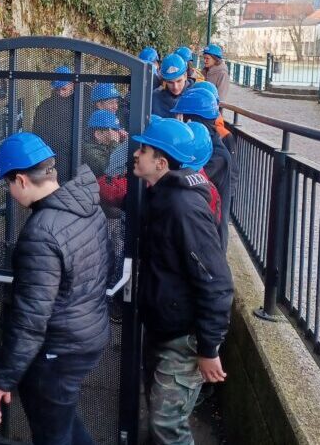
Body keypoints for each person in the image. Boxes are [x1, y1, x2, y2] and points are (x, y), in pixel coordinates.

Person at [0, 132, 112, 445]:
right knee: (64, 421)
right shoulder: (87, 206)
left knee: (51, 433)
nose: (9, 193)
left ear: (22, 180)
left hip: (59, 350)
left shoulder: (41, 233)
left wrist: (3, 380)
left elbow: (30, 320)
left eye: (8, 185)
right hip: (88, 334)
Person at [130, 119, 233, 445]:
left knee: (166, 426)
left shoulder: (182, 207)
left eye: (143, 150)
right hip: (166, 326)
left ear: (161, 163)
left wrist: (208, 348)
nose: (135, 154)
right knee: (161, 417)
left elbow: (216, 283)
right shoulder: (161, 195)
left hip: (183, 336)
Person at [171, 87, 233, 251]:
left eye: (181, 116)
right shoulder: (205, 145)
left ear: (191, 120)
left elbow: (188, 179)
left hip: (210, 234)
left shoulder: (216, 155)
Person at [33, 65, 75, 184]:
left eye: (63, 89)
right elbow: (38, 132)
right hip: (52, 154)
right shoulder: (44, 107)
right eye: (57, 90)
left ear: (72, 84)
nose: (60, 93)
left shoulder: (81, 103)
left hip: (73, 154)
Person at [84, 109, 127, 178]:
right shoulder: (90, 151)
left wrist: (125, 143)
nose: (118, 133)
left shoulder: (107, 146)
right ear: (98, 134)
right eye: (114, 130)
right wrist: (115, 143)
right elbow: (110, 170)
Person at [151, 53, 190, 119]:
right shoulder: (155, 97)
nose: (175, 87)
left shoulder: (194, 97)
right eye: (170, 82)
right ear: (164, 80)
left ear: (185, 76)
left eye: (179, 81)